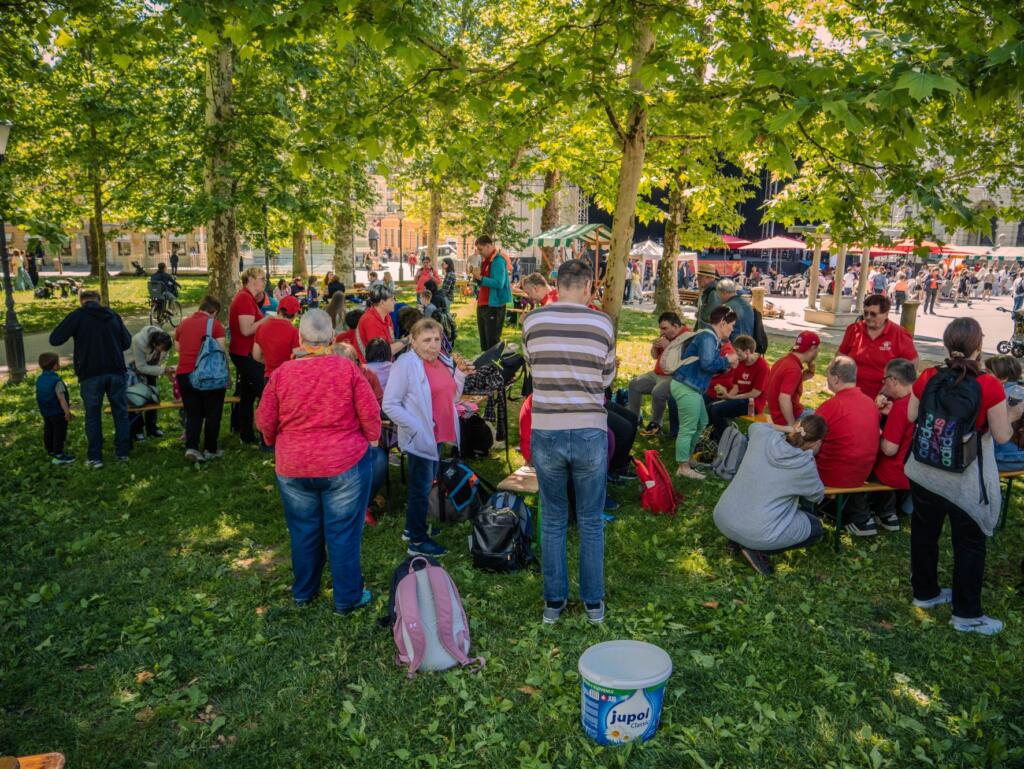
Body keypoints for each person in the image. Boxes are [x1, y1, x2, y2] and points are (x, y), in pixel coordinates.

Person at [256, 309, 381, 613]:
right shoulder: (347, 370)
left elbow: (264, 420)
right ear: (331, 338)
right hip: (344, 463)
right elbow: (370, 415)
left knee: (303, 530)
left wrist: (276, 443)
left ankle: (304, 592)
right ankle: (347, 597)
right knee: (343, 533)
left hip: (294, 465)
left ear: (300, 338)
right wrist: (372, 442)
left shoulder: (282, 374)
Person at [904, 317, 1018, 635]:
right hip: (963, 478)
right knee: (969, 543)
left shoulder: (928, 375)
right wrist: (1012, 413)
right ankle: (967, 615)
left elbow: (912, 415)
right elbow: (1002, 435)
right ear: (979, 347)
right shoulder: (989, 385)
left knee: (924, 532)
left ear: (945, 343)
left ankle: (925, 592)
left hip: (924, 468)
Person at [522, 259, 616, 624]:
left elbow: (533, 369)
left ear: (557, 286)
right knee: (590, 519)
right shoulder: (601, 323)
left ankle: (554, 602)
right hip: (590, 428)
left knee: (554, 516)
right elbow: (606, 379)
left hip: (547, 429)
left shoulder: (533, 321)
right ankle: (593, 603)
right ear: (588, 287)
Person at [382, 318, 474, 557]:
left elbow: (451, 396)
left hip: (439, 434)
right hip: (422, 438)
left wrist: (461, 375)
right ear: (412, 341)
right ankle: (418, 542)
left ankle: (412, 528)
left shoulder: (440, 360)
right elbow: (390, 404)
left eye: (436, 339)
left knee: (424, 485)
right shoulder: (405, 365)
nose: (433, 345)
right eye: (426, 340)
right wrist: (416, 427)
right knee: (421, 489)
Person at [713, 414, 828, 575]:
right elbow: (816, 496)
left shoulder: (762, 435)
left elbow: (756, 426)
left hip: (723, 517)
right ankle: (755, 548)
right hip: (757, 533)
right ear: (817, 442)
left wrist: (789, 429)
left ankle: (736, 540)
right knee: (816, 529)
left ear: (797, 426)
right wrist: (811, 457)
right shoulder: (804, 465)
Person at [48, 290, 132, 468]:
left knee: (93, 415)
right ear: (99, 301)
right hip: (115, 369)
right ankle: (123, 452)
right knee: (120, 412)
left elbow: (55, 339)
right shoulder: (112, 315)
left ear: (81, 302)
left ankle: (95, 457)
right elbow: (126, 342)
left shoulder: (77, 316)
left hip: (90, 372)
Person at [813, 356, 882, 534]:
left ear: (836, 378)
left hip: (835, 474)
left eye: (828, 374)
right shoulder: (870, 404)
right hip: (862, 472)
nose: (827, 378)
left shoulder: (831, 406)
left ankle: (805, 511)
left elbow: (809, 442)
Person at [670, 305, 737, 479]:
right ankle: (683, 466)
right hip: (686, 386)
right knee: (688, 427)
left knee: (702, 421)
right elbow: (708, 364)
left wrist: (724, 365)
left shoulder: (711, 337)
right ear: (722, 323)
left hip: (692, 386)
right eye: (732, 324)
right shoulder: (708, 337)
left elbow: (706, 365)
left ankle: (688, 458)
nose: (733, 328)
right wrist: (727, 360)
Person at [175, 295, 228, 462]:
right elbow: (221, 350)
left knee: (193, 413)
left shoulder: (183, 324)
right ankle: (210, 449)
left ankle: (192, 447)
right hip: (209, 375)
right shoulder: (216, 326)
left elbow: (178, 347)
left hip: (184, 374)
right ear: (214, 312)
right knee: (213, 413)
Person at [868, 357, 918, 530]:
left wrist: (878, 433)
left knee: (863, 464)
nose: (884, 386)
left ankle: (883, 513)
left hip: (897, 472)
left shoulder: (901, 407)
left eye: (885, 380)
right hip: (918, 470)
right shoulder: (922, 398)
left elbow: (889, 449)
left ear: (893, 380)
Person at [837, 294, 918, 400]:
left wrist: (892, 387)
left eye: (873, 314)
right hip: (852, 391)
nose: (868, 317)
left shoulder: (899, 334)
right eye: (865, 313)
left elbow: (912, 363)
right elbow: (841, 356)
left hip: (884, 396)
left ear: (886, 314)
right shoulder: (854, 329)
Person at [228, 267, 271, 445]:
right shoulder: (244, 298)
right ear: (251, 279)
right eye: (262, 278)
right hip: (245, 353)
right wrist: (267, 319)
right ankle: (264, 434)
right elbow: (246, 330)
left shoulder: (247, 298)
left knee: (247, 395)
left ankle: (246, 432)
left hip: (245, 352)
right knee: (263, 391)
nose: (264, 282)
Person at [629, 312, 688, 437]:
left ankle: (656, 425)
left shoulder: (688, 337)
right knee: (634, 384)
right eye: (661, 328)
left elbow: (683, 363)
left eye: (665, 328)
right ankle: (633, 420)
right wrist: (655, 347)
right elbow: (655, 356)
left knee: (658, 391)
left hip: (674, 376)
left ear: (676, 326)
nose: (662, 331)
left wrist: (669, 347)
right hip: (657, 374)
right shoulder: (667, 335)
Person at [706, 335, 769, 442]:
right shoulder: (740, 363)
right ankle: (713, 438)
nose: (736, 355)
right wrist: (728, 396)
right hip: (740, 399)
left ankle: (727, 441)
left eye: (738, 352)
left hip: (754, 404)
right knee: (710, 407)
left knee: (717, 410)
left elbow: (755, 393)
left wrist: (732, 397)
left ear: (747, 351)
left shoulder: (762, 366)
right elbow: (736, 386)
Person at [125, 325, 174, 441]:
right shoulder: (138, 341)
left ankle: (152, 427)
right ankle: (137, 430)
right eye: (160, 349)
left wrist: (162, 370)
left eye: (164, 349)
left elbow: (163, 358)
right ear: (154, 343)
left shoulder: (166, 341)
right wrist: (162, 370)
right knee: (136, 398)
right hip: (133, 367)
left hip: (151, 366)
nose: (162, 351)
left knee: (153, 396)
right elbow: (140, 366)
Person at [764, 331, 820, 428]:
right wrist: (791, 425)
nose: (817, 353)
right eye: (817, 349)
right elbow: (784, 398)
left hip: (777, 415)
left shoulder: (783, 361)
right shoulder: (793, 369)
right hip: (787, 417)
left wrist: (802, 378)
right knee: (824, 422)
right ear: (812, 348)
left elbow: (779, 386)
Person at [472, 235, 512, 351]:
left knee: (492, 343)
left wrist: (481, 278)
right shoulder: (486, 260)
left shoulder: (498, 260)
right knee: (485, 343)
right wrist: (477, 278)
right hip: (483, 304)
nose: (479, 253)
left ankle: (493, 367)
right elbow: (483, 281)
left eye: (480, 249)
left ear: (488, 246)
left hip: (494, 306)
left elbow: (499, 283)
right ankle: (486, 366)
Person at [985, 355, 1024, 472]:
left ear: (1004, 377)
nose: (984, 375)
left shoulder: (996, 395)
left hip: (1001, 459)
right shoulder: (1021, 391)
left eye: (988, 372)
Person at [36, 351, 76, 465]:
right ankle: (59, 454)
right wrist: (67, 412)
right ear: (55, 366)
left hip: (45, 411)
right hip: (57, 412)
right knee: (59, 433)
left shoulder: (40, 379)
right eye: (58, 363)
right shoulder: (56, 381)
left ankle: (50, 450)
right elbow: (61, 398)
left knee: (48, 430)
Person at [253, 294, 301, 380]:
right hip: (287, 377)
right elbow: (297, 356)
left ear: (278, 310)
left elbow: (256, 356)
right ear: (295, 313)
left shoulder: (261, 327)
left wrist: (269, 362)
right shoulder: (294, 331)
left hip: (269, 377)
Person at [356, 284, 407, 362]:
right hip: (372, 369)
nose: (395, 302)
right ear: (382, 303)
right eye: (392, 299)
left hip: (384, 363)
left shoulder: (386, 316)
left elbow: (390, 341)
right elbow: (382, 353)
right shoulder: (371, 321)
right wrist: (410, 339)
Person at [694, 265, 720, 329]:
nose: (697, 279)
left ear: (708, 278)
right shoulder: (708, 291)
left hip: (708, 331)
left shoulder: (713, 292)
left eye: (700, 276)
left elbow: (709, 316)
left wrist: (699, 314)